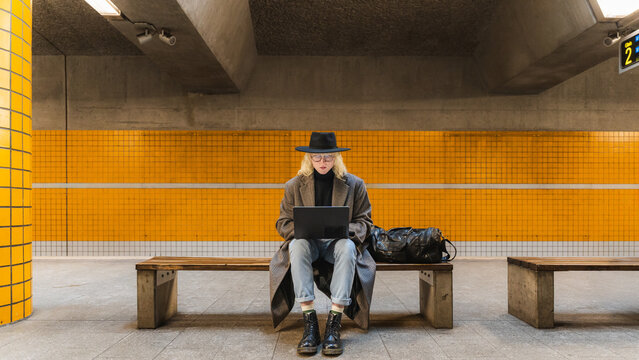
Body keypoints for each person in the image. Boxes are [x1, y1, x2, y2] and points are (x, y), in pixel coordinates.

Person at [269, 132, 376, 356]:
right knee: (297, 245)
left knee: (347, 247)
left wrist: (345, 231)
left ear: (336, 157)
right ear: (308, 159)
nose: (322, 163)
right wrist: (299, 231)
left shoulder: (355, 184)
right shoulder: (293, 186)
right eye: (317, 158)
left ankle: (333, 323)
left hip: (337, 243)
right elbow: (282, 222)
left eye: (327, 158)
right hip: (308, 243)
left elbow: (365, 222)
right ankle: (310, 323)